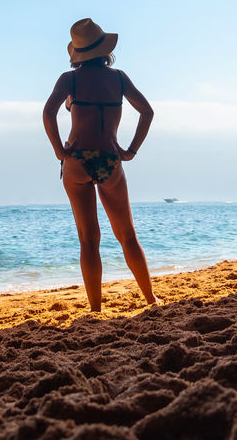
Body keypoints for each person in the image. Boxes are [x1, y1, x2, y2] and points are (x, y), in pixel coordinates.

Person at [42, 18, 159, 311]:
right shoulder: (118, 78)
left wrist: (59, 150)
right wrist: (131, 150)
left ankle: (96, 309)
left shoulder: (69, 80)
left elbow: (48, 112)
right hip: (109, 158)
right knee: (127, 236)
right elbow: (147, 112)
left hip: (77, 160)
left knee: (88, 240)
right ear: (104, 49)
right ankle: (151, 299)